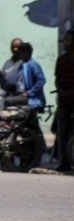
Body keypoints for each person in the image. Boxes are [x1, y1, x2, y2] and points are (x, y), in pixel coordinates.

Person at [55, 30, 74, 172]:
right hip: (63, 100)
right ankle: (64, 162)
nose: (65, 43)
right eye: (65, 40)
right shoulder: (61, 59)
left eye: (68, 40)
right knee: (62, 132)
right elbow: (57, 79)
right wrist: (61, 91)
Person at [18, 43, 47, 109]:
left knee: (8, 101)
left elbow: (41, 80)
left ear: (27, 53)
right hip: (25, 97)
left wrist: (29, 93)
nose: (20, 55)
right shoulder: (21, 66)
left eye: (21, 52)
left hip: (35, 100)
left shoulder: (33, 65)